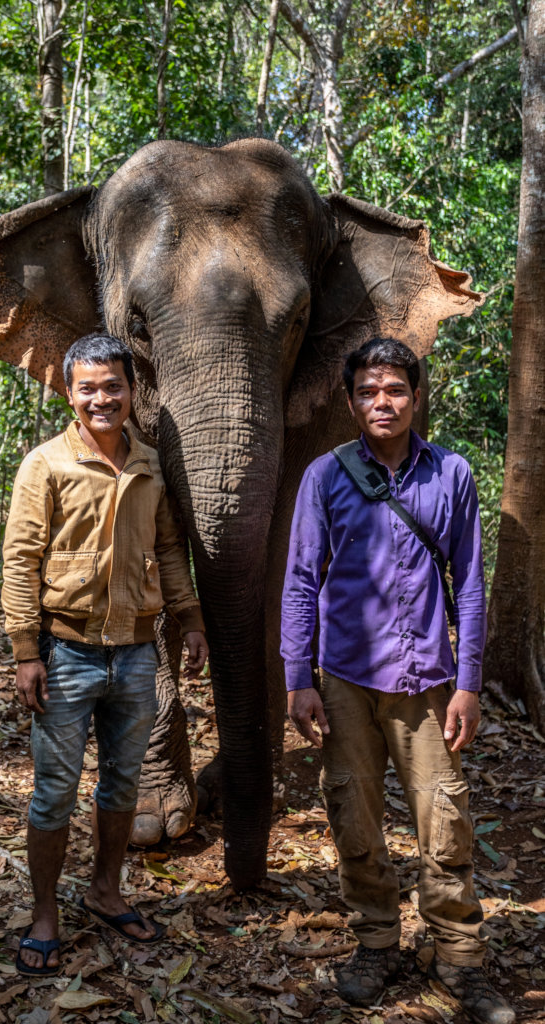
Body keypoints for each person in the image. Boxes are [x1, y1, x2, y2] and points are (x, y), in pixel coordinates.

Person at [280, 338, 514, 1024]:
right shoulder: (325, 477)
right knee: (352, 809)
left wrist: (467, 682)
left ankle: (457, 959)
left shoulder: (451, 475)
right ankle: (376, 944)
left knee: (444, 819)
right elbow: (299, 581)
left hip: (427, 681)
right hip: (346, 677)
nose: (381, 403)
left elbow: (469, 586)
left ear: (415, 397)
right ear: (351, 402)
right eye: (367, 392)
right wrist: (299, 677)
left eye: (394, 391)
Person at [3, 333, 208, 976]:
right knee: (55, 790)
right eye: (88, 387)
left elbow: (169, 550)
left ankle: (105, 891)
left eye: (113, 386)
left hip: (137, 653)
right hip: (65, 653)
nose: (101, 398)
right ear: (70, 391)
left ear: (130, 391)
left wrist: (192, 619)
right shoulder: (47, 465)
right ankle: (44, 914)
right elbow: (21, 559)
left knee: (123, 784)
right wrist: (24, 651)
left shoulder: (146, 464)